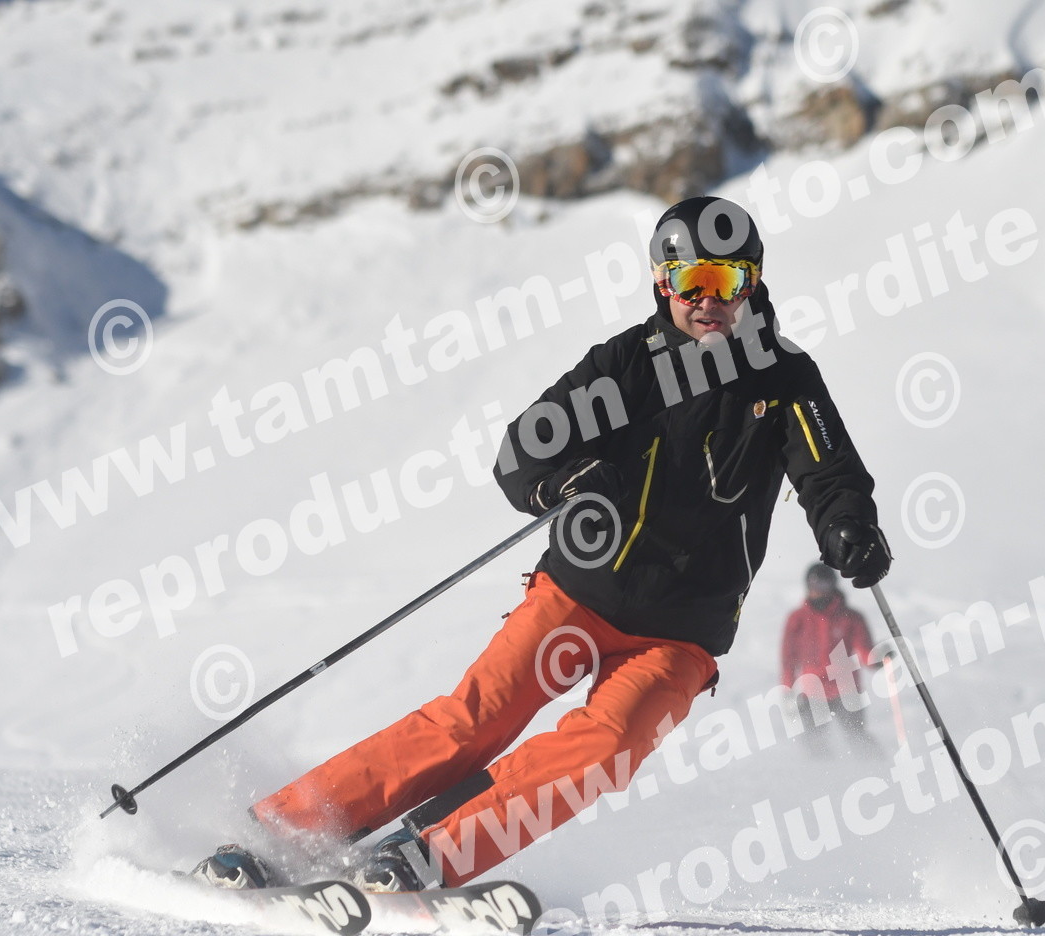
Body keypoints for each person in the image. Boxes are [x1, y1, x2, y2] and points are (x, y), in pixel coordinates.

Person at [195, 195, 892, 893]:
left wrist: (849, 528)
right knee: (470, 724)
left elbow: (829, 473)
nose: (710, 300)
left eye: (729, 280)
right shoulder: (628, 364)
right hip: (579, 592)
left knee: (608, 749)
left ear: (753, 283)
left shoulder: (785, 378)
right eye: (693, 281)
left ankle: (426, 855)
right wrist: (567, 480)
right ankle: (283, 833)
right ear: (663, 283)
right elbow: (523, 453)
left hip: (680, 633)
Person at [780, 562, 881, 754]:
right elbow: (788, 658)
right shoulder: (797, 619)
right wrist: (787, 689)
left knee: (859, 740)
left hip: (847, 692)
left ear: (833, 585)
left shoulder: (851, 617)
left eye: (824, 584)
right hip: (813, 693)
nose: (818, 590)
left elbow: (865, 651)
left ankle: (878, 766)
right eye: (814, 584)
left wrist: (879, 658)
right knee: (814, 746)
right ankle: (823, 773)